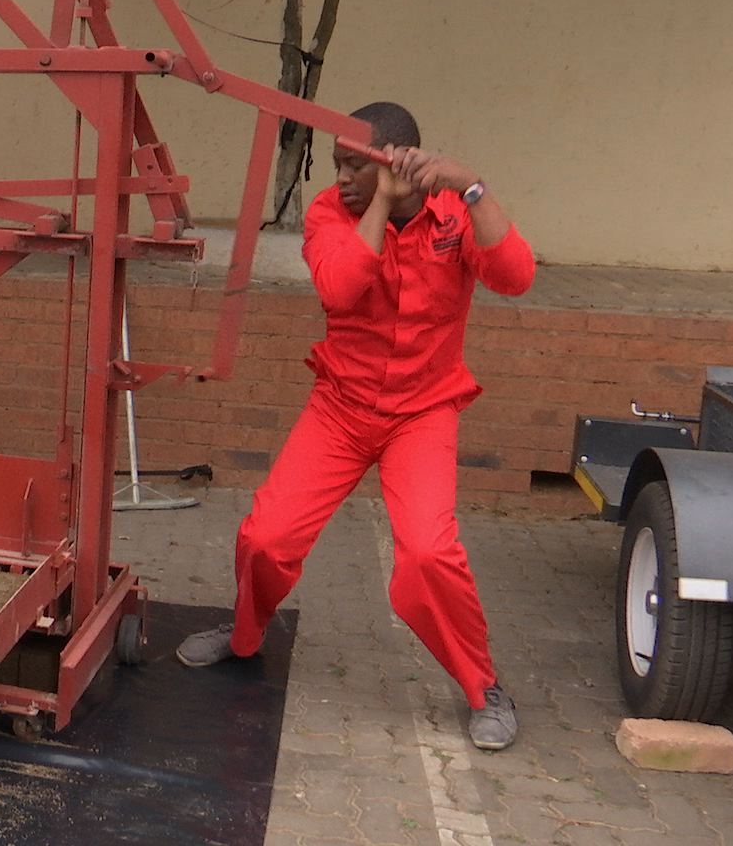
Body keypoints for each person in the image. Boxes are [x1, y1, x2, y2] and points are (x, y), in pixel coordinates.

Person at [176, 102, 536, 751]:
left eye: (352, 166)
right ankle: (244, 636)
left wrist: (471, 185)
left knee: (428, 553)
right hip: (342, 407)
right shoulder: (328, 214)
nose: (337, 176)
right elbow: (340, 290)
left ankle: (485, 688)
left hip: (422, 413)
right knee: (265, 537)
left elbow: (516, 277)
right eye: (336, 162)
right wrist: (378, 203)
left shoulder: (453, 213)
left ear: (396, 162)